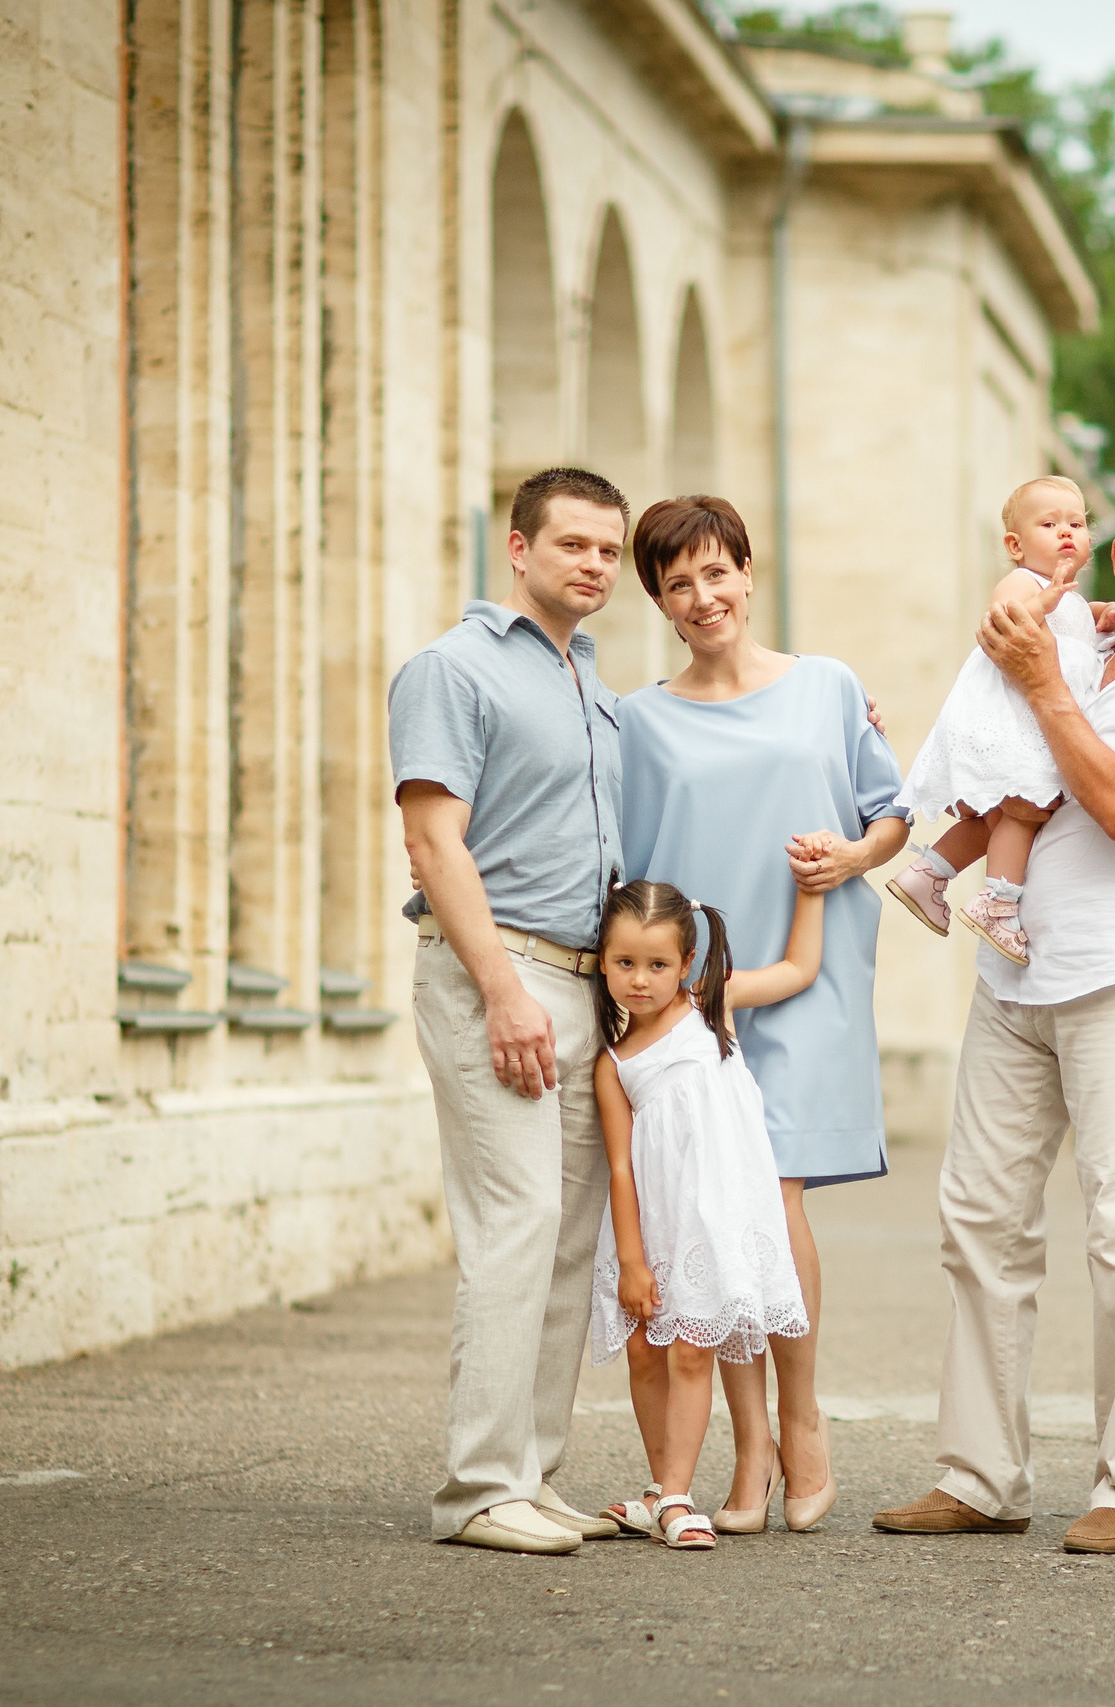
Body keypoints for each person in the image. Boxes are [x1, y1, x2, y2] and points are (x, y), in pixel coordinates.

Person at [874, 468, 1115, 1557]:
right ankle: (979, 1475)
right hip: (1011, 978)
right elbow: (990, 737)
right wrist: (1047, 653)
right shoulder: (1080, 639)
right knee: (979, 1226)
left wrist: (1047, 681)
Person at [614, 495, 910, 1537]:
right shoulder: (636, 722)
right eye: (677, 584)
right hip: (702, 1006)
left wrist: (853, 856)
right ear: (657, 600)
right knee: (718, 1208)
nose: (703, 599)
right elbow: (623, 870)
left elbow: (892, 812)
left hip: (810, 975)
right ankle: (750, 1450)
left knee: (774, 1197)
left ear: (747, 570)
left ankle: (804, 1417)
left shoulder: (828, 688)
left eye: (716, 573)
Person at [390, 466, 635, 1555]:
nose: (592, 564)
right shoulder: (453, 668)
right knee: (516, 1224)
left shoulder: (592, 683)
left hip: (583, 983)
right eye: (573, 543)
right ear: (520, 547)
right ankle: (476, 1488)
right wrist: (501, 992)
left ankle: (530, 1475)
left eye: (609, 551)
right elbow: (434, 839)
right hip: (499, 975)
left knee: (568, 1239)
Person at [589, 877, 825, 1550]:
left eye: (657, 964)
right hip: (655, 1221)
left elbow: (798, 968)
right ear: (602, 961)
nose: (639, 980)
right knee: (644, 1349)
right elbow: (620, 1166)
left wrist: (812, 886)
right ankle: (663, 1486)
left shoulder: (708, 1005)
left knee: (692, 1348)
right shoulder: (614, 1063)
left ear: (686, 965)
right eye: (624, 963)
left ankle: (678, 1495)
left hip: (713, 1214)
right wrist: (631, 1260)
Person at [890, 476, 1105, 964]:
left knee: (997, 813)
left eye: (1077, 522)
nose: (1066, 532)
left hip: (1032, 719)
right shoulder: (1023, 582)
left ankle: (929, 873)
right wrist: (1042, 603)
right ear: (1016, 544)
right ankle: (999, 902)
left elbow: (1071, 631)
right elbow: (1003, 618)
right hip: (1009, 719)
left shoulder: (1067, 597)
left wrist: (1094, 613)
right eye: (1049, 524)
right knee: (1025, 807)